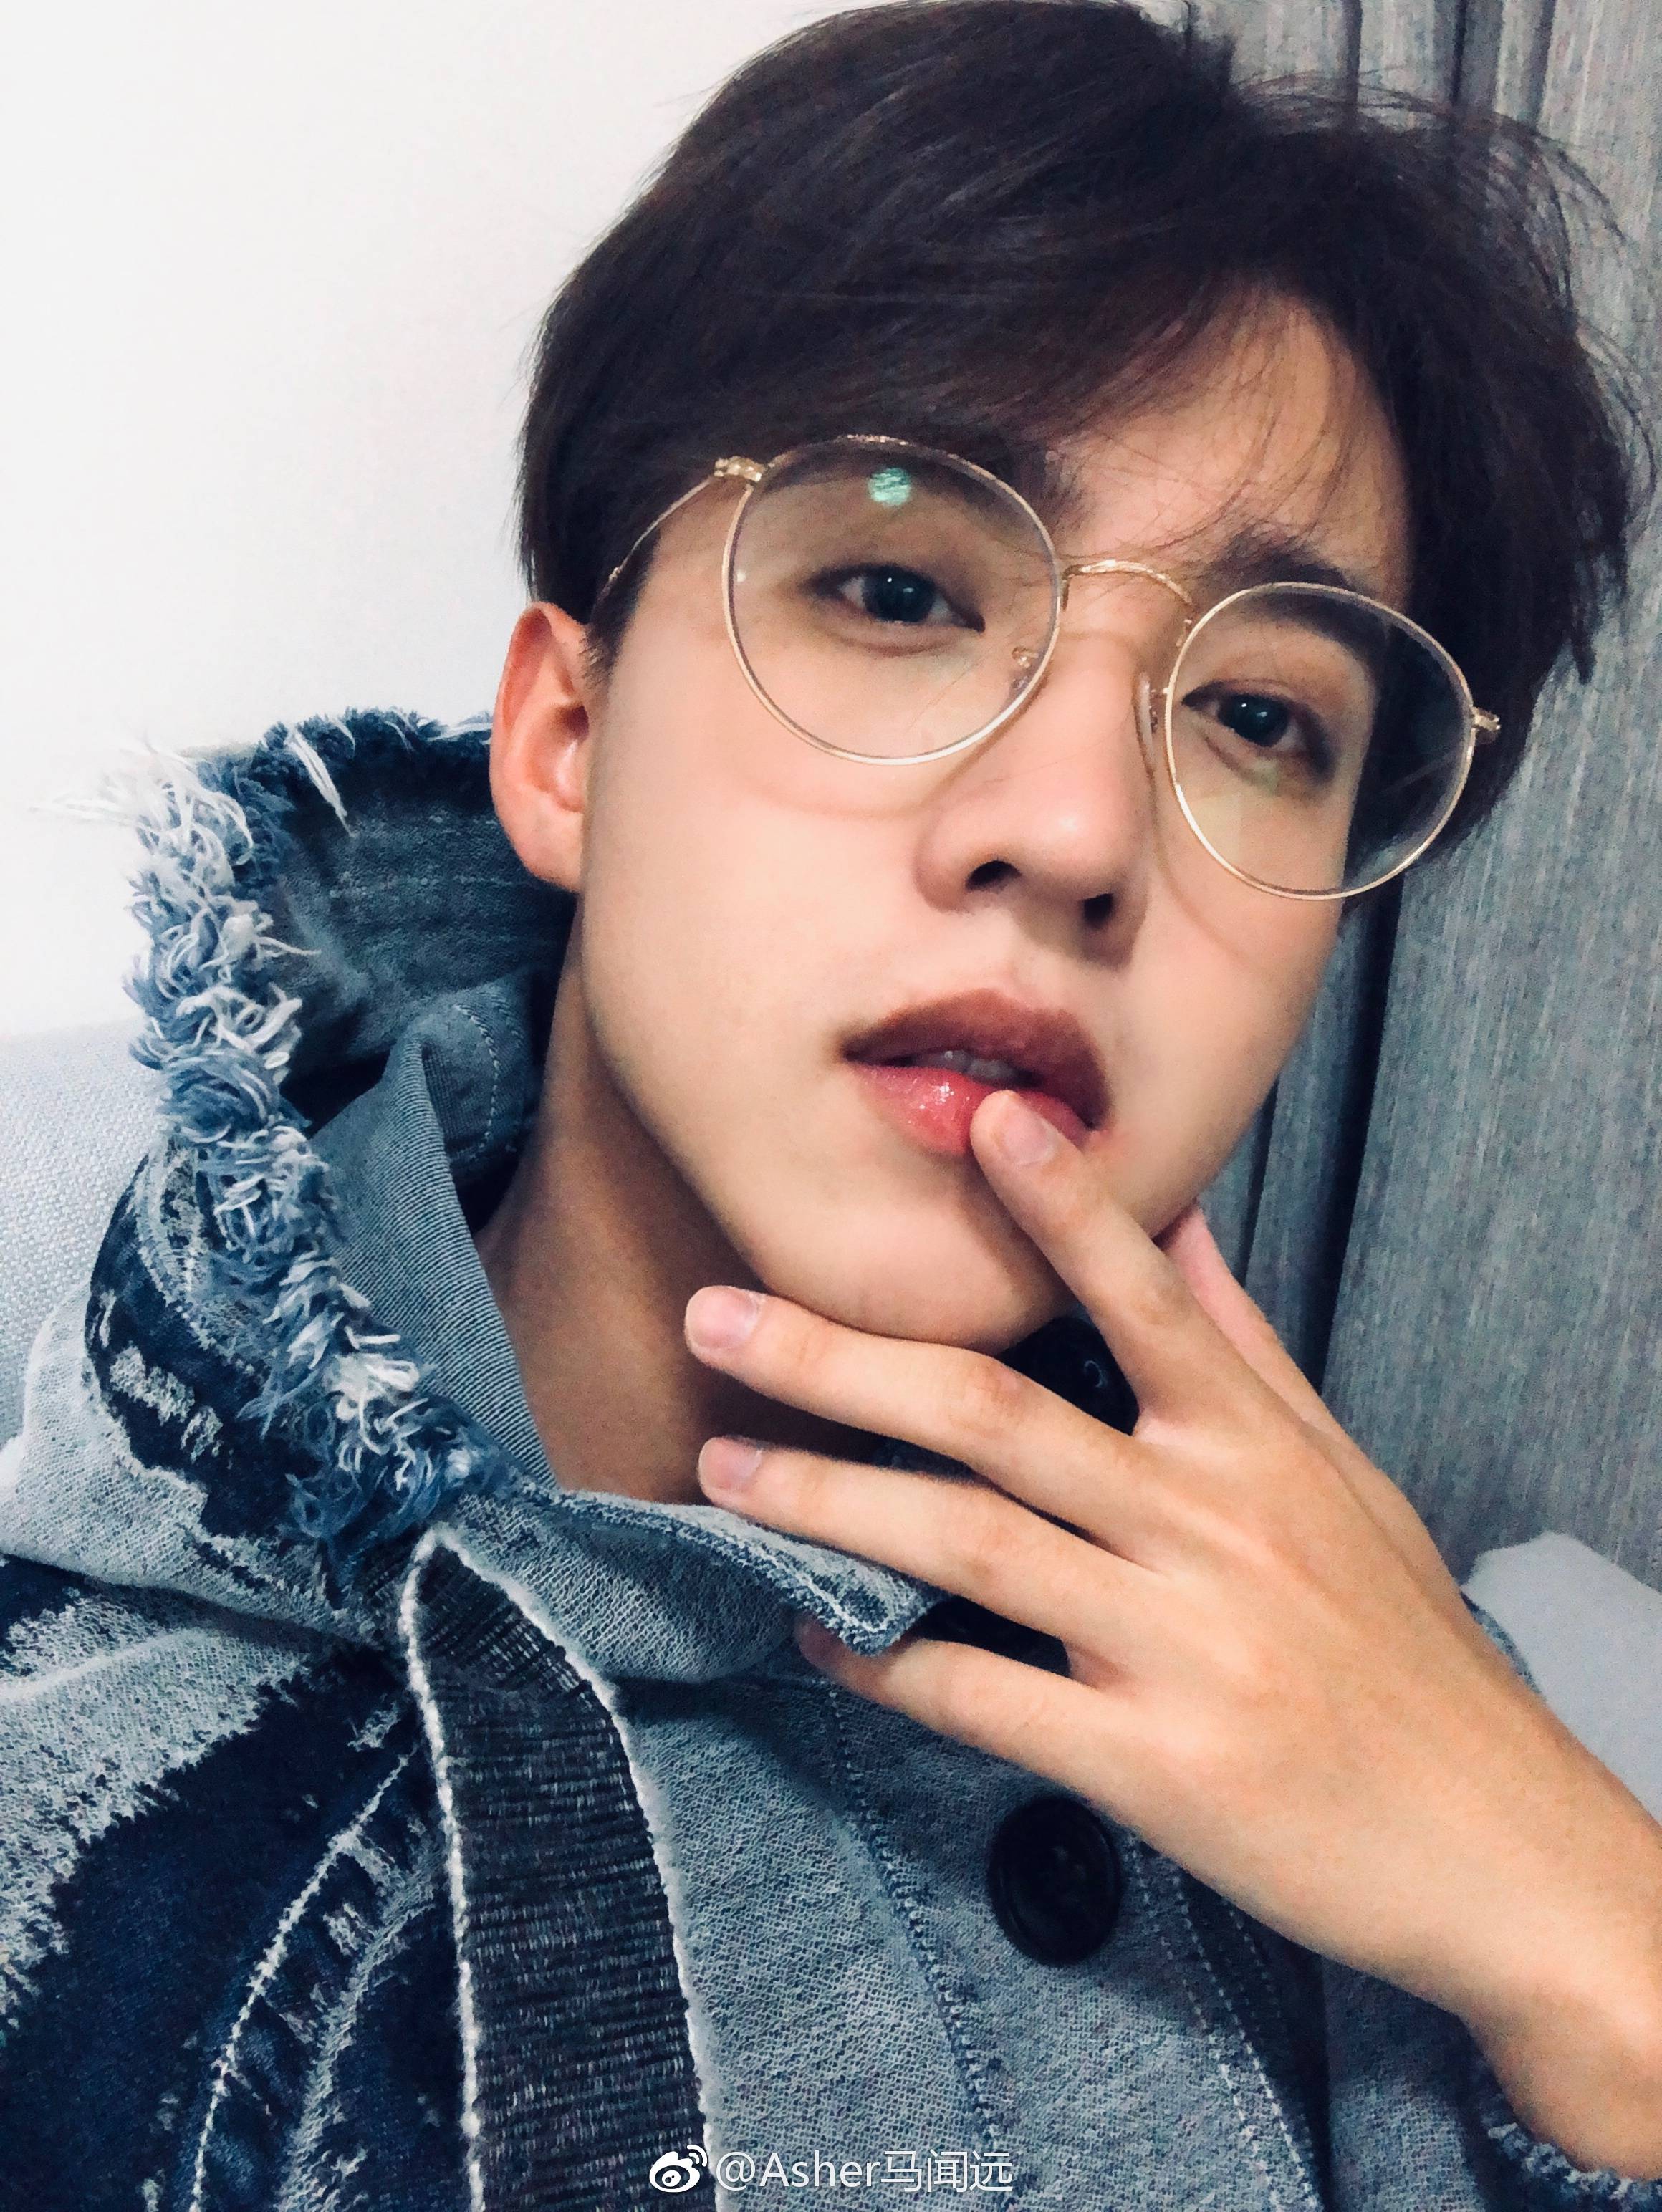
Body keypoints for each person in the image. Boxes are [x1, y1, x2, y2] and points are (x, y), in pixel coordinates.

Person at [1, 2, 1658, 2206]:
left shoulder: (1395, 1707)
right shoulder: (91, 1842)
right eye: (898, 590)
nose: (1076, 831)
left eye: (1260, 715)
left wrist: (1595, 1939)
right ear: (568, 743)